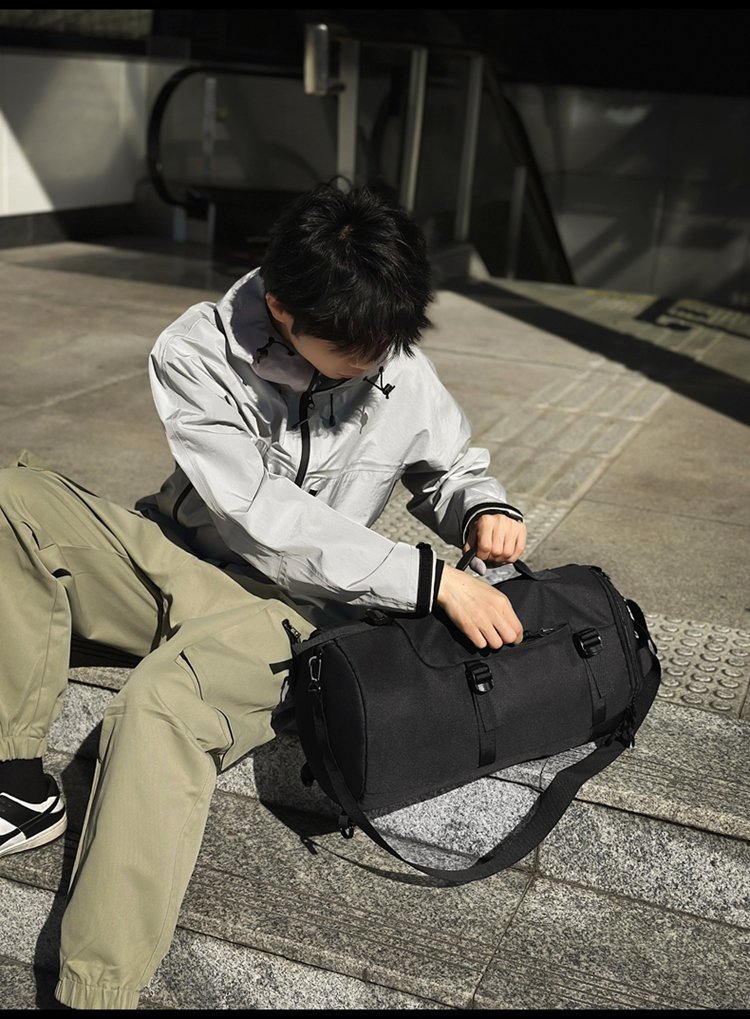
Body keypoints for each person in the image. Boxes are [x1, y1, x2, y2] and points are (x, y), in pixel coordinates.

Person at [0, 181, 526, 1010]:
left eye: (389, 341)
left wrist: (483, 507)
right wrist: (431, 579)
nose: (376, 361)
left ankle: (92, 995)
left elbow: (449, 467)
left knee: (161, 703)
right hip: (177, 558)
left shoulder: (391, 356)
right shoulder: (196, 351)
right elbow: (260, 514)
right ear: (282, 309)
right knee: (13, 499)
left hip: (298, 607)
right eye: (355, 347)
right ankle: (15, 779)